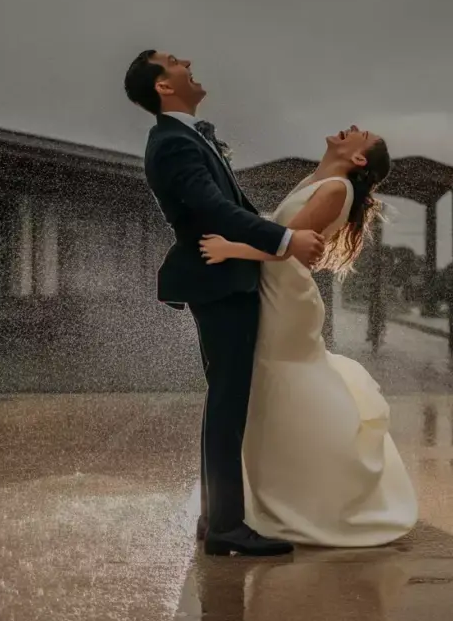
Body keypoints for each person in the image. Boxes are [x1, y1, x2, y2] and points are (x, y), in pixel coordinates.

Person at [124, 50, 326, 557]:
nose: (186, 61)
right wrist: (284, 240)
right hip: (218, 282)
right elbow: (213, 209)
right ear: (163, 86)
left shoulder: (187, 136)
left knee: (227, 398)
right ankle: (226, 528)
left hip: (228, 277)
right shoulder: (171, 143)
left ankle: (217, 516)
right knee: (228, 400)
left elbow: (232, 207)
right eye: (173, 61)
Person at [199, 125, 419, 547]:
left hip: (286, 298)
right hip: (275, 289)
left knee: (282, 381)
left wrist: (230, 249)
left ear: (358, 159)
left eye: (362, 134)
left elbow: (285, 247)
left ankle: (311, 495)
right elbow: (281, 235)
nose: (352, 128)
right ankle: (269, 494)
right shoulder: (318, 181)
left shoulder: (336, 190)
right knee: (271, 388)